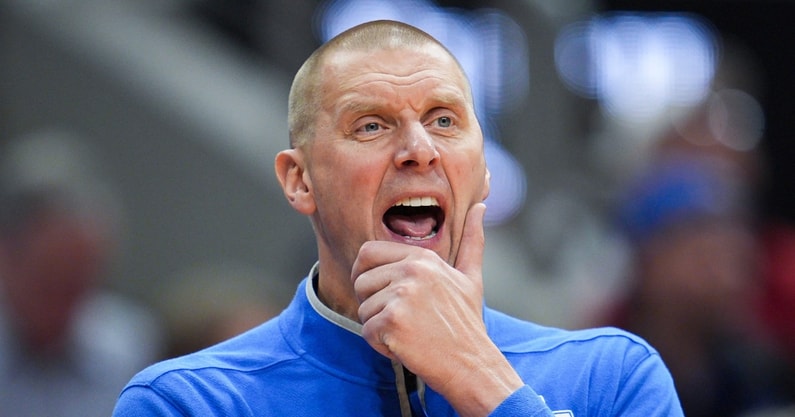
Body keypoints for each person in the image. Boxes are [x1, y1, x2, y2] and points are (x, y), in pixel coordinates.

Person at [113, 20, 683, 416]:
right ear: (299, 179)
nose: (419, 149)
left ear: (482, 170)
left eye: (443, 121)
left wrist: (483, 384)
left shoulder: (614, 378)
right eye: (371, 125)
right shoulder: (189, 404)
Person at [0, 129, 164, 417]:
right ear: (6, 255)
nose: (64, 303)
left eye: (79, 283)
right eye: (49, 281)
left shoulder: (131, 349)